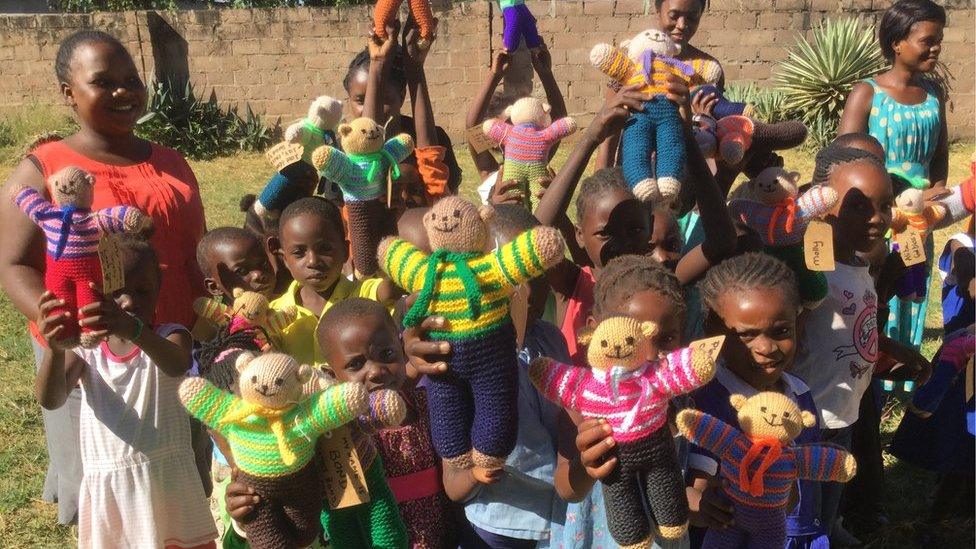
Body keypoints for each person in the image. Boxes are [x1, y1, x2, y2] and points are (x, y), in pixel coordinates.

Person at [0, 29, 206, 525]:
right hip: (91, 355)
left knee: (180, 475)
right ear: (68, 92)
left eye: (131, 79)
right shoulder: (45, 168)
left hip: (171, 345)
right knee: (106, 483)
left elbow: (192, 255)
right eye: (103, 82)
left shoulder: (170, 161)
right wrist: (59, 327)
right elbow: (13, 264)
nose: (123, 91)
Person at [34, 236, 216, 548]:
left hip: (167, 483)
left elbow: (176, 364)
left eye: (142, 291)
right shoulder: (85, 351)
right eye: (114, 294)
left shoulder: (170, 336)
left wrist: (130, 328)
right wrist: (53, 348)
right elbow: (51, 399)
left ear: (159, 289)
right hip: (114, 490)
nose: (129, 302)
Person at [790, 143, 931, 541]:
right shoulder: (808, 273)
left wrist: (895, 354)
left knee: (828, 511)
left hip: (843, 418)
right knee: (797, 522)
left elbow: (853, 333)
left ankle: (831, 529)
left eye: (885, 205)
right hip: (805, 424)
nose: (878, 219)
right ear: (820, 207)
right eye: (858, 207)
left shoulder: (858, 264)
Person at [435, 204, 566, 548]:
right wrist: (468, 478)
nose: (518, 292)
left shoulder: (551, 338)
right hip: (498, 518)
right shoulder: (458, 350)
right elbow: (452, 441)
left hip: (558, 514)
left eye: (529, 275)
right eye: (501, 278)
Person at [551, 254, 691, 549]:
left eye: (665, 339)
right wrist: (587, 465)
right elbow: (566, 489)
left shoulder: (680, 401)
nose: (650, 355)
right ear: (593, 331)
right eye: (635, 339)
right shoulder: (584, 403)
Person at [689, 252, 826, 548]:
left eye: (781, 331)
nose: (766, 347)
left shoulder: (799, 394)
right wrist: (704, 504)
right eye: (746, 336)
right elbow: (697, 492)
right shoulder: (709, 402)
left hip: (794, 533)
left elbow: (807, 471)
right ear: (715, 331)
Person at [838, 0, 949, 350]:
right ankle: (869, 364)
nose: (936, 47)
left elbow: (940, 159)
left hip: (917, 220)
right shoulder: (867, 93)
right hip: (875, 219)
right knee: (872, 287)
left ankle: (901, 376)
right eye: (927, 40)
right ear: (898, 42)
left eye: (939, 39)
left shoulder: (933, 95)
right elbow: (842, 161)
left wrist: (936, 192)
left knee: (911, 286)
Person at [319, 297, 454, 549]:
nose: (375, 371)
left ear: (403, 349)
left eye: (387, 354)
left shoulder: (422, 404)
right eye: (355, 364)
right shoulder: (342, 434)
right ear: (332, 376)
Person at [266, 197, 401, 365]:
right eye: (299, 252)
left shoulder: (362, 294)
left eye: (325, 249)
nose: (313, 261)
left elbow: (390, 289)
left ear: (345, 251)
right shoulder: (274, 313)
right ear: (285, 259)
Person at [346, 19, 461, 205]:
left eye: (383, 99)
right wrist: (378, 63)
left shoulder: (431, 137)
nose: (375, 107)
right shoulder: (345, 148)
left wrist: (415, 68)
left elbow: (442, 193)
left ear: (401, 96)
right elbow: (364, 152)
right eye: (361, 100)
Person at [196, 227, 277, 301]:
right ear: (214, 287)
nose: (258, 274)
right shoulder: (223, 317)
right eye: (241, 271)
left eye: (263, 263)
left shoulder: (286, 306)